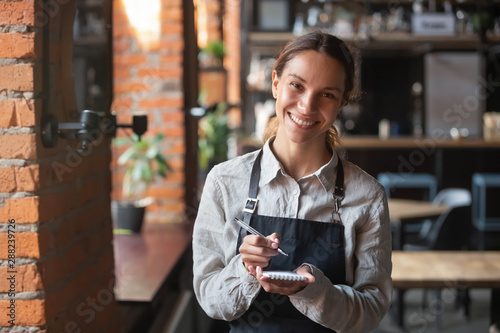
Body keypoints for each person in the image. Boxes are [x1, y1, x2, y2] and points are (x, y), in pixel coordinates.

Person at [192, 31, 392, 333]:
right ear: (276, 84)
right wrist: (246, 269)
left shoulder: (368, 196)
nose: (307, 106)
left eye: (327, 94)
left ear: (342, 103)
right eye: (296, 85)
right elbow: (210, 300)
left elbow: (371, 311)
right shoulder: (224, 182)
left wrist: (314, 291)